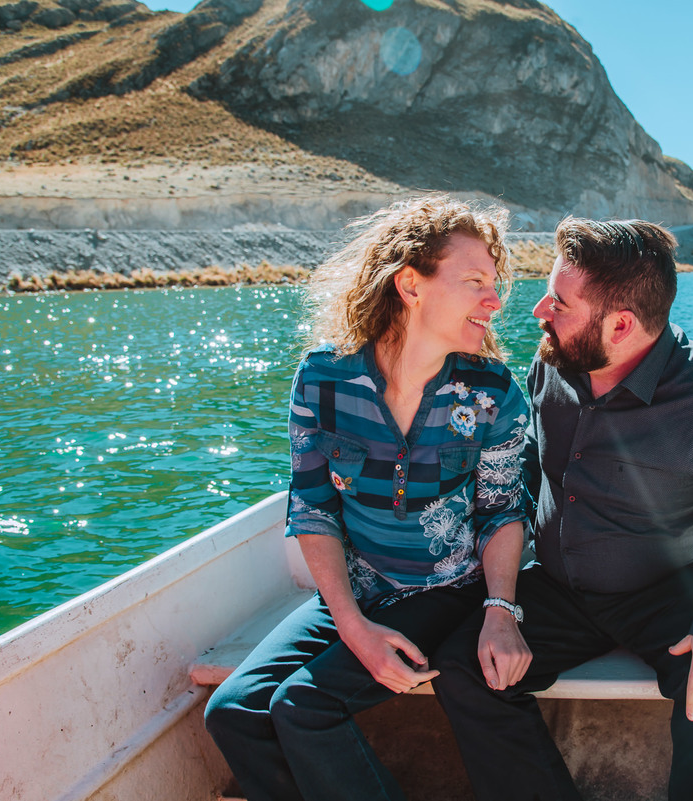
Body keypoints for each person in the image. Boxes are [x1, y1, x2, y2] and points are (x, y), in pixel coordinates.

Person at [432, 217, 693, 800]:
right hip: (558, 587)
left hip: (669, 591)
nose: (540, 311)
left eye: (559, 302)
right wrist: (500, 600)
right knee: (464, 666)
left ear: (620, 324)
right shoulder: (554, 361)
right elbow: (525, 473)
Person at [204, 195, 533, 801]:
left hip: (448, 590)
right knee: (234, 713)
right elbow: (312, 508)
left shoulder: (491, 391)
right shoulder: (323, 381)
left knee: (304, 705)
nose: (495, 301)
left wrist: (500, 609)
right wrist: (351, 622)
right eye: (475, 282)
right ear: (410, 284)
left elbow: (503, 509)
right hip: (357, 591)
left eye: (496, 284)